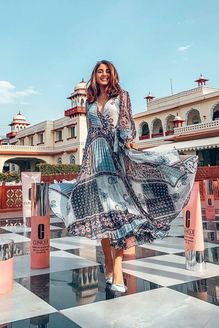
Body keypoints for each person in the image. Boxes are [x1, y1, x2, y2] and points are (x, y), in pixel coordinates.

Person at [49, 60, 197, 293]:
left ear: (113, 74)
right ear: (94, 75)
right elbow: (89, 134)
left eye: (108, 71)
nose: (104, 74)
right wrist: (85, 162)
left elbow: (126, 122)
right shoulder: (88, 100)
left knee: (119, 215)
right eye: (100, 71)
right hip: (93, 161)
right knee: (101, 214)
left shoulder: (121, 96)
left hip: (115, 157)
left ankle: (117, 267)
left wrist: (128, 140)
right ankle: (108, 261)